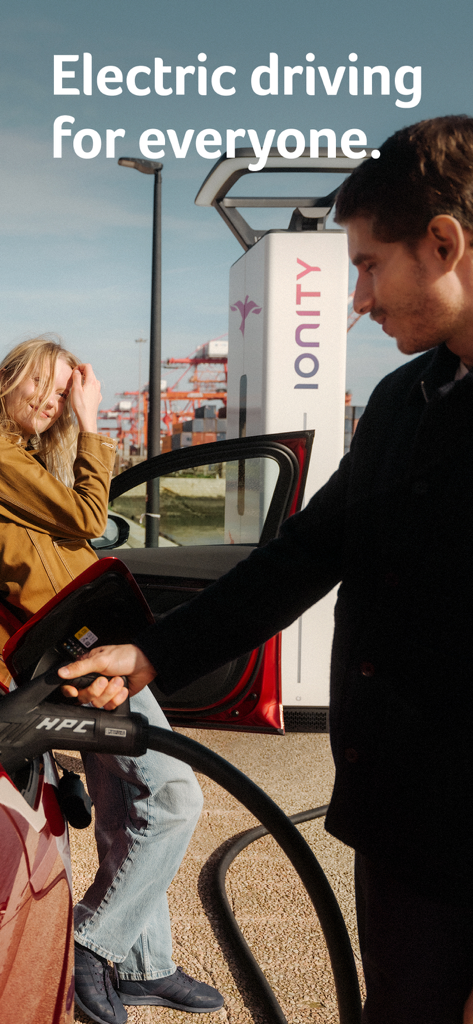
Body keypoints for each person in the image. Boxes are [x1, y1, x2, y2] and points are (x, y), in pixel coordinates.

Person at [60, 114, 473, 1024]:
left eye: (367, 264)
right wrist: (152, 654)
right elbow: (311, 549)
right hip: (405, 828)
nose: (357, 298)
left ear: (441, 243)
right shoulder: (407, 399)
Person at [0, 337, 223, 1024]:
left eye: (62, 392)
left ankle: (144, 967)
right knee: (174, 794)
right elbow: (88, 518)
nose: (51, 400)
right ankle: (97, 941)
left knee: (127, 811)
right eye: (41, 384)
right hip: (68, 656)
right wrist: (93, 424)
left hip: (87, 648)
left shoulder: (29, 461)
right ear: (8, 378)